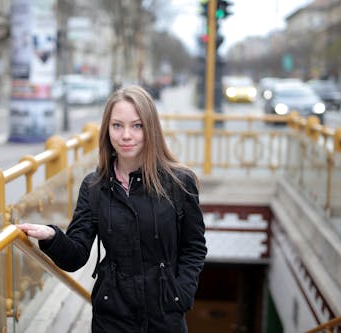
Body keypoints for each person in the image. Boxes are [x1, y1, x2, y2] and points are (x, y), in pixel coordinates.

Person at [18, 85, 207, 332]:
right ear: (107, 130)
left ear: (151, 129)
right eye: (117, 126)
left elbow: (194, 247)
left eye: (136, 126)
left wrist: (181, 294)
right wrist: (52, 237)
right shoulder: (94, 186)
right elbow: (76, 256)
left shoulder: (178, 182)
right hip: (112, 315)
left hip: (165, 314)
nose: (126, 135)